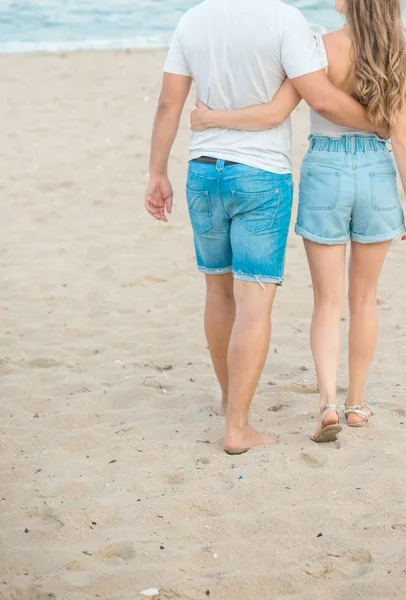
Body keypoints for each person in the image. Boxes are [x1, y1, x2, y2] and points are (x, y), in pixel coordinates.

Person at [144, 0, 384, 454]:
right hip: (260, 176)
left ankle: (229, 400)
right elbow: (322, 98)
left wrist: (157, 172)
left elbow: (167, 105)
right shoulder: (284, 19)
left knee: (217, 291)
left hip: (203, 169)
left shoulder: (191, 19)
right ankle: (237, 427)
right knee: (253, 302)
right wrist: (381, 123)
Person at [190, 0, 406, 443]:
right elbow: (403, 134)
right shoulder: (396, 56)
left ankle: (327, 405)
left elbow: (277, 110)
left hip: (326, 172)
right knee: (365, 299)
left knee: (327, 302)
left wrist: (211, 118)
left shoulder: (318, 48)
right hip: (377, 172)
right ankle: (356, 404)